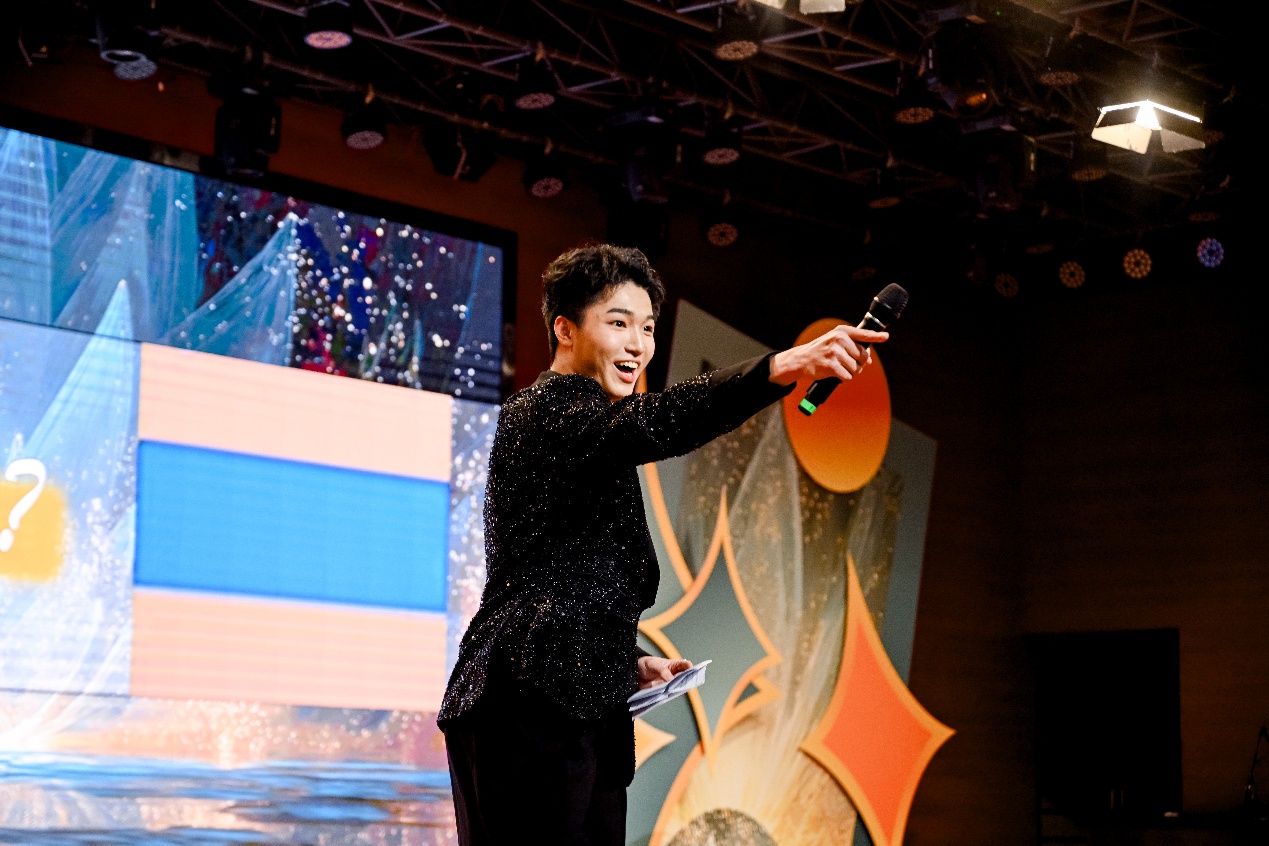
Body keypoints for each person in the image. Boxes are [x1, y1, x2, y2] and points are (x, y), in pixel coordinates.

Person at [437, 243, 887, 845]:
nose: (637, 344)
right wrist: (783, 367)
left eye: (647, 328)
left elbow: (564, 578)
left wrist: (624, 663)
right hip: (526, 705)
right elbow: (660, 421)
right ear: (565, 330)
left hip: (578, 705)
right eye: (618, 323)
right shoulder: (544, 412)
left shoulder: (595, 431)